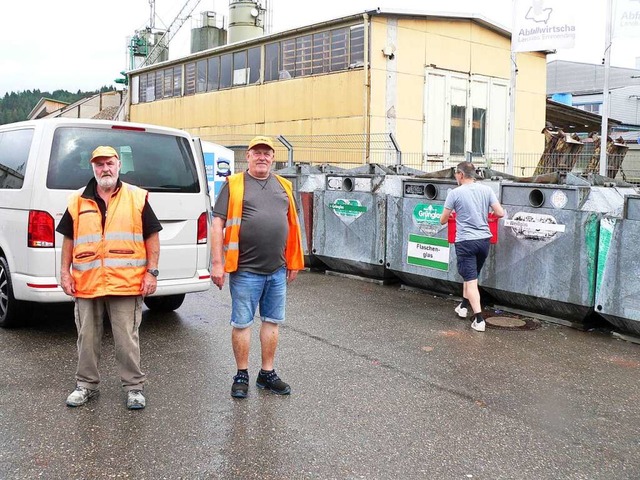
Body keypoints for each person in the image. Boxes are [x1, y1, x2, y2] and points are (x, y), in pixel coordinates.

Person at [57, 146, 162, 409]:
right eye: (100, 164)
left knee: (126, 338)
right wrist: (63, 272)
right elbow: (69, 239)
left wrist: (152, 272)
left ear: (119, 165)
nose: (105, 169)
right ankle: (85, 386)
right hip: (87, 281)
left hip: (125, 282)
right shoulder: (77, 200)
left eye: (110, 164)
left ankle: (134, 388)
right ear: (93, 167)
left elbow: (152, 237)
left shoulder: (137, 198)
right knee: (87, 338)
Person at [210, 135, 304, 399]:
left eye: (267, 153)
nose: (262, 157)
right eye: (257, 152)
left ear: (273, 158)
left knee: (272, 321)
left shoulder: (283, 185)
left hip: (277, 270)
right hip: (245, 270)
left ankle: (267, 373)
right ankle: (241, 374)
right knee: (242, 323)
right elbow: (217, 224)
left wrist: (294, 260)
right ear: (248, 157)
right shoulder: (234, 184)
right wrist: (217, 263)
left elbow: (293, 226)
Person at [439, 161, 504, 332]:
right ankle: (463, 306)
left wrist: (453, 213)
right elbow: (500, 213)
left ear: (460, 174)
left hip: (465, 242)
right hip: (484, 241)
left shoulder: (455, 193)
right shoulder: (487, 190)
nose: (455, 177)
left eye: (455, 174)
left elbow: (443, 219)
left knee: (471, 281)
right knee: (471, 277)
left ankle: (479, 319)